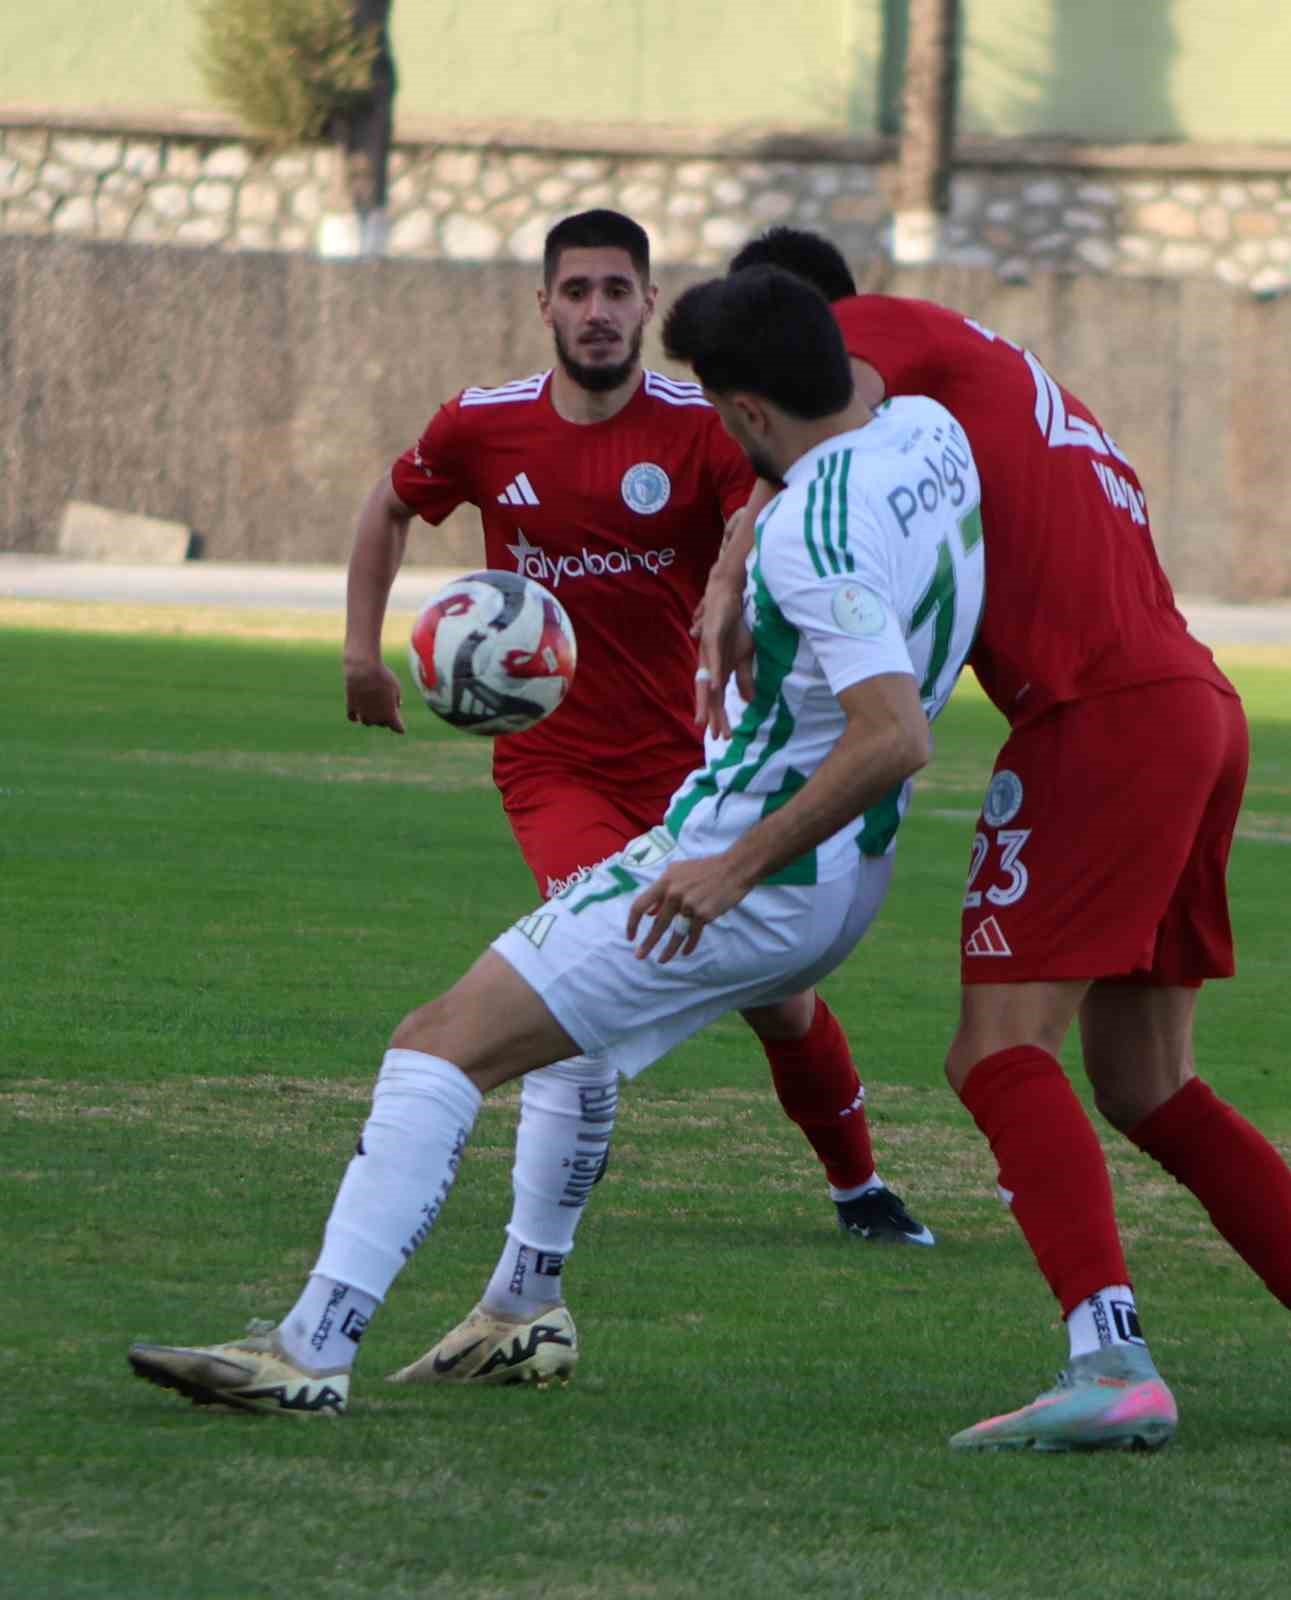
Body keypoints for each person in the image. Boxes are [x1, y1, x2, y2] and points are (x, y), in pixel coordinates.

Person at [126, 267, 983, 1416]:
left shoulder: (810, 535)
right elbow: (837, 515)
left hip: (747, 867)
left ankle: (309, 1348)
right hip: (847, 880)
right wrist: (732, 558)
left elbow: (894, 735)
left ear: (744, 414)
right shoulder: (931, 436)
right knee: (566, 1035)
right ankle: (521, 1312)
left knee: (436, 1045)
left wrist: (725, 868)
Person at [698, 226, 1291, 1452]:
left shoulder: (879, 345)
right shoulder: (972, 384)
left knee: (995, 1049)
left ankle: (1109, 1358)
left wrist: (733, 555)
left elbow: (821, 429)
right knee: (1145, 1082)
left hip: (1099, 718)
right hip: (1191, 705)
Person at [340, 210, 939, 1391]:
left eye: (621, 289)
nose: (600, 310)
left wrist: (727, 571)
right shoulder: (483, 424)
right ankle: (532, 1287)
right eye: (578, 290)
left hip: (698, 761)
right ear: (546, 306)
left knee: (783, 1006)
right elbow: (390, 504)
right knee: (583, 989)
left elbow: (771, 496)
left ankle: (856, 1180)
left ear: (647, 298)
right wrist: (362, 651)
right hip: (553, 766)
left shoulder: (699, 424)